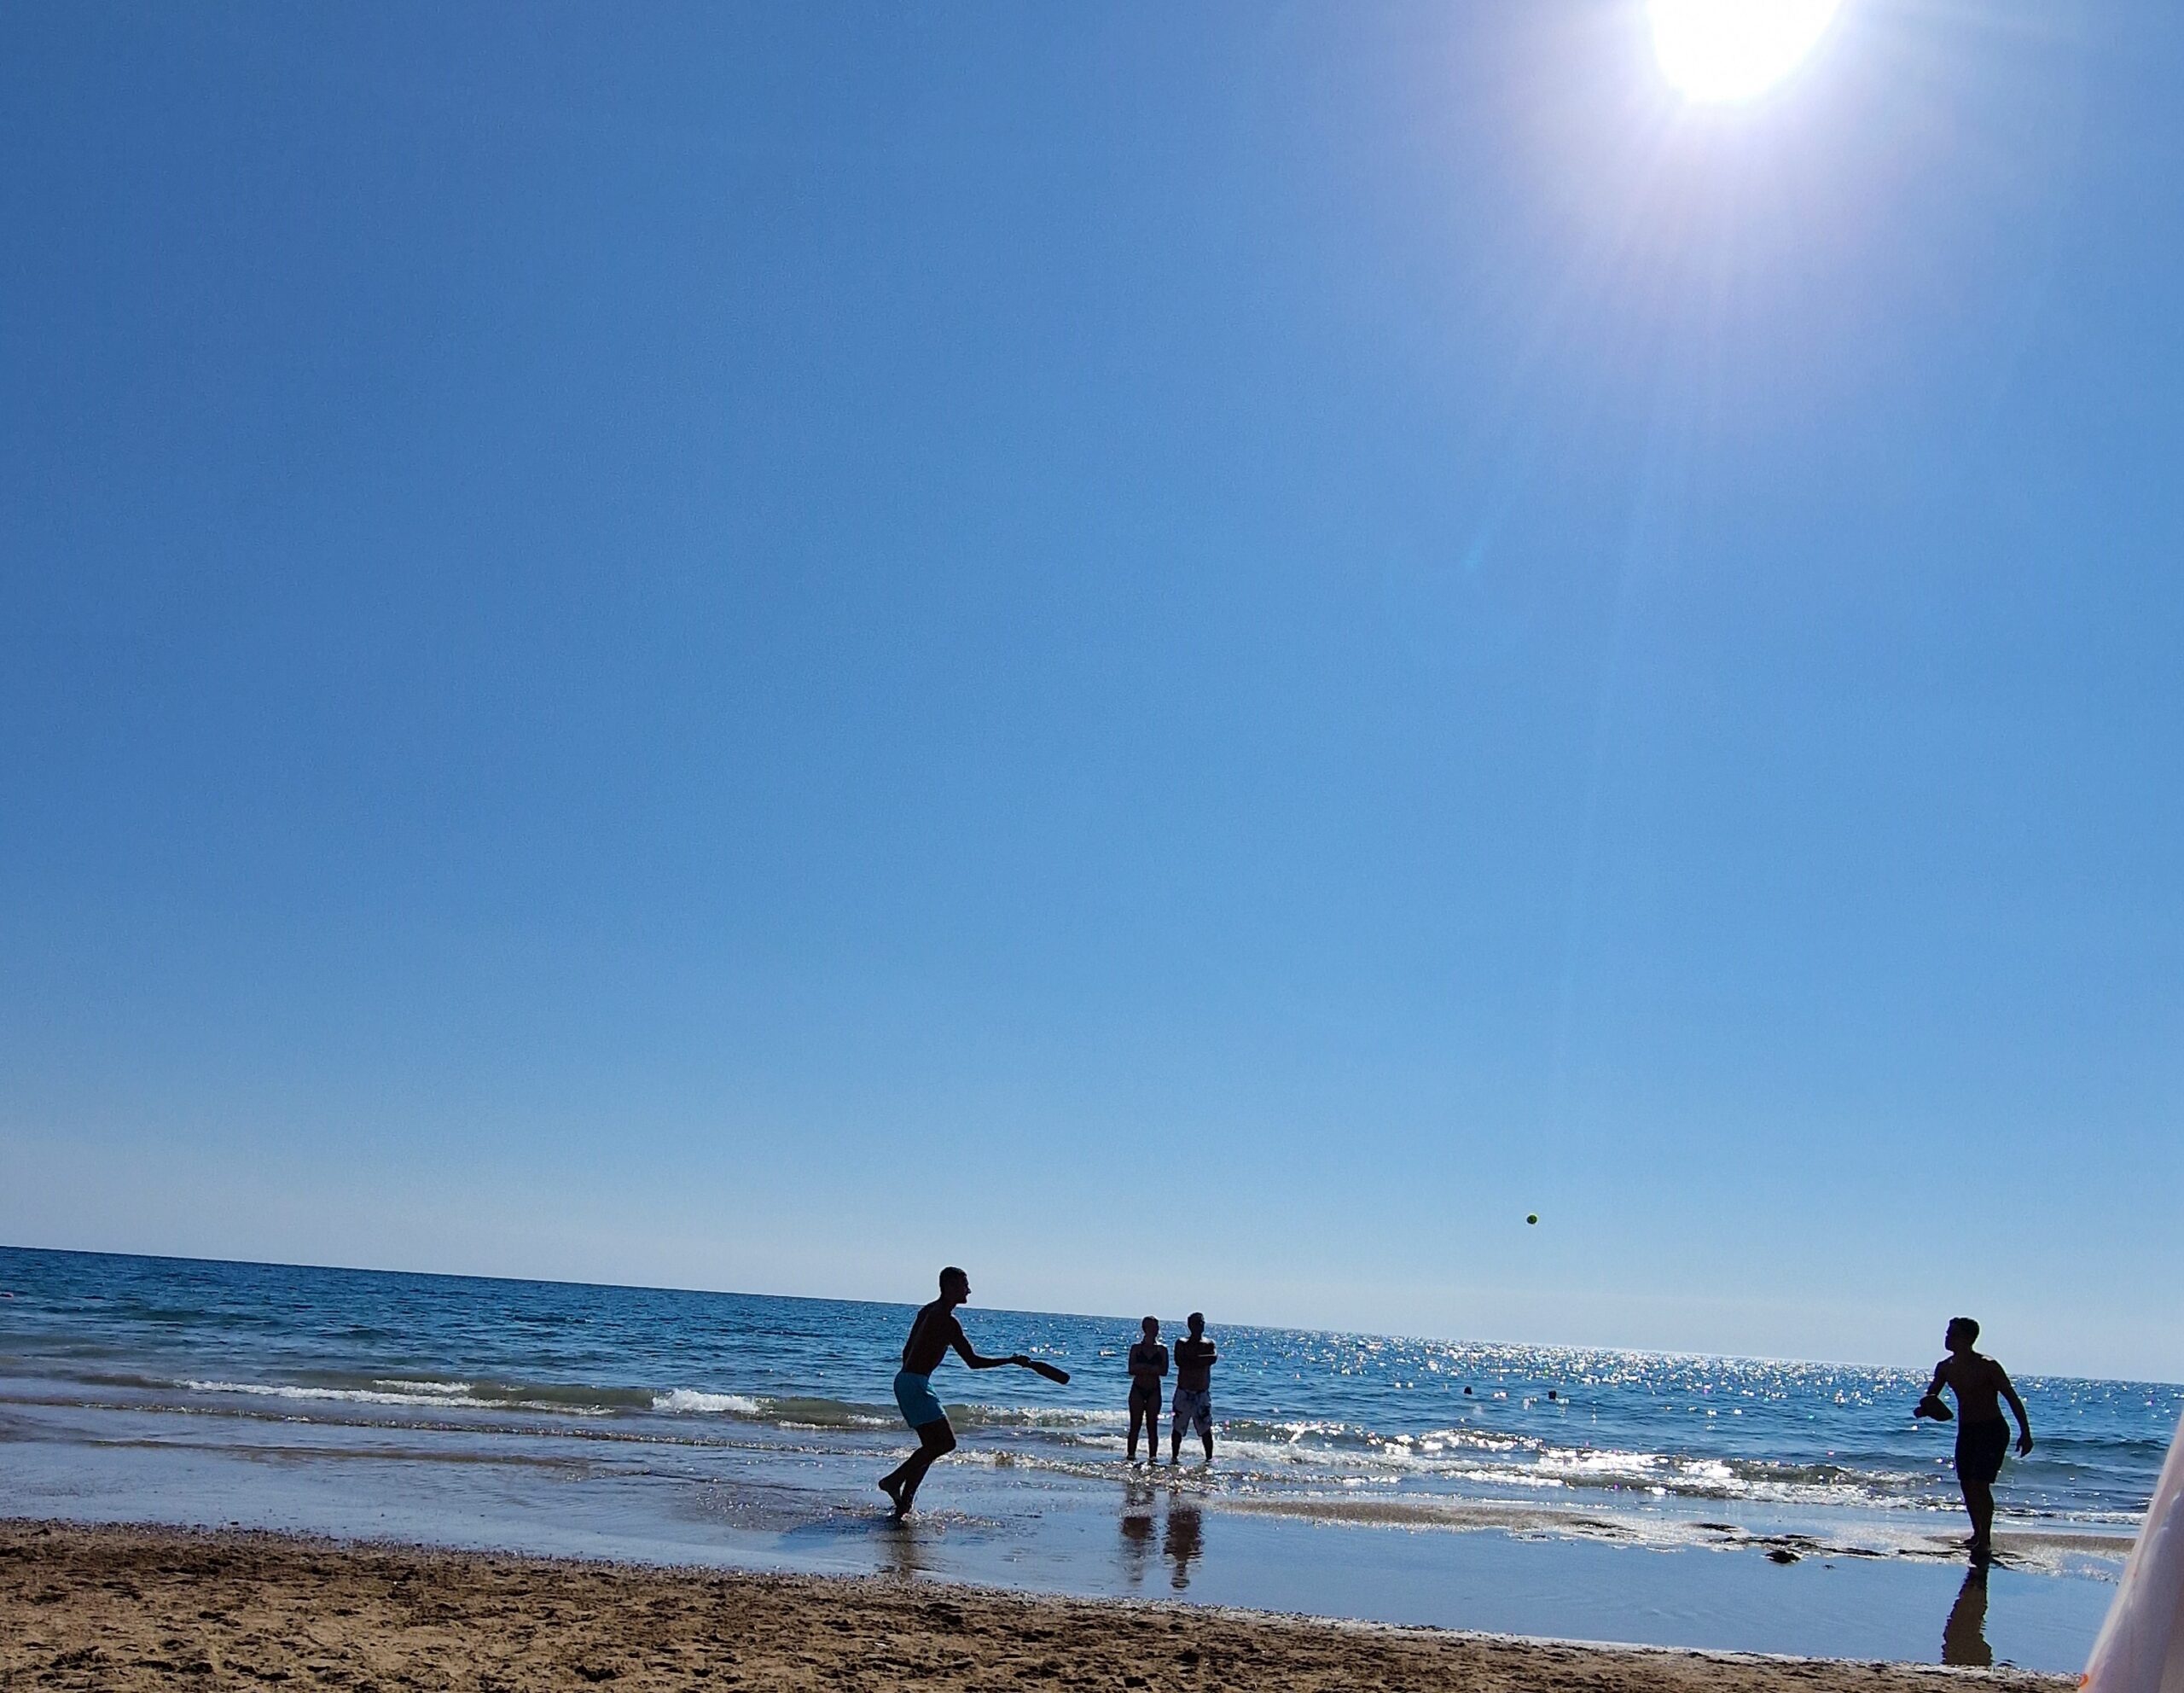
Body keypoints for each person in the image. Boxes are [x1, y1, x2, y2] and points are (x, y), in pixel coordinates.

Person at [879, 1266, 1043, 1518]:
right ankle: (894, 1480)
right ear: (950, 1287)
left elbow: (906, 1351)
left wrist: (915, 1377)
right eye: (964, 1285)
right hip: (915, 1383)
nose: (969, 1290)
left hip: (907, 1381)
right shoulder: (947, 1320)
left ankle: (904, 1505)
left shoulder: (927, 1311)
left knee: (931, 1446)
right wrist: (1010, 1360)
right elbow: (973, 1362)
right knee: (946, 1443)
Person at [1915, 1316, 2033, 1562]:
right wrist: (1926, 1407)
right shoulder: (1945, 1367)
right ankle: (1977, 1533)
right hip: (1967, 1431)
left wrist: (2025, 1432)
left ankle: (1985, 1540)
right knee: (1967, 1484)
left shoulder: (1987, 1365)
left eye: (1953, 1334)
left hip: (1992, 1430)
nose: (1947, 1337)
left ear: (1968, 1338)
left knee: (1980, 1484)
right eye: (1947, 1333)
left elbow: (2011, 1397)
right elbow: (1932, 1394)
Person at [1170, 1311, 1217, 1463]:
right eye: (1196, 1323)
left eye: (1202, 1323)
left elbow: (1212, 1358)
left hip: (1201, 1393)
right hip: (1184, 1391)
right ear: (1190, 1325)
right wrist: (1198, 1360)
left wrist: (1192, 1359)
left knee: (1205, 1429)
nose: (1200, 1326)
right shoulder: (1182, 1342)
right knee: (1178, 1427)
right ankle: (1174, 1457)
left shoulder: (1209, 1344)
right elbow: (1180, 1361)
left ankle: (1209, 1459)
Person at [1126, 1317, 1168, 1463]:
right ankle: (1131, 1456)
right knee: (1135, 1425)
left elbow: (1164, 1371)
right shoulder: (1136, 1348)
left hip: (1154, 1390)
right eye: (1151, 1327)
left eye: (1156, 1327)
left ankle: (1152, 1457)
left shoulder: (1162, 1349)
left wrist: (1144, 1368)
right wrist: (1150, 1369)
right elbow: (1131, 1369)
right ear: (1145, 1329)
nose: (1155, 1330)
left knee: (1152, 1425)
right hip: (1137, 1389)